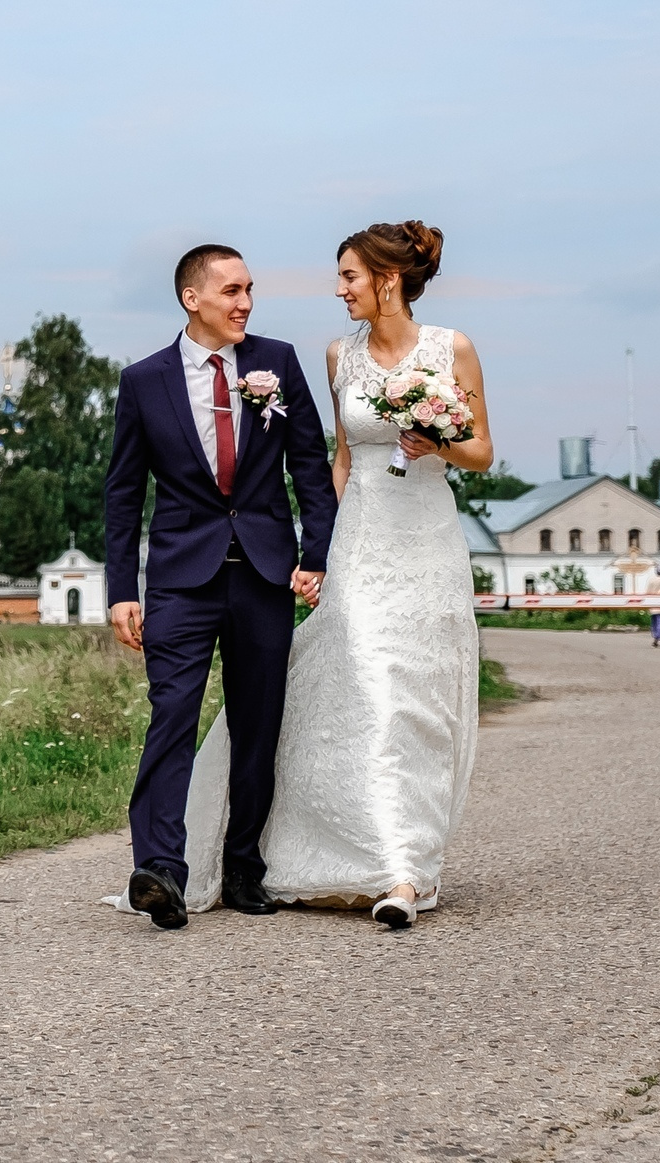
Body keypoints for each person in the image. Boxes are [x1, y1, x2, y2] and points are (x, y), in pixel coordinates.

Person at [181, 221, 491, 929]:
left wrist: (437, 441)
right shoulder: (338, 355)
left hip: (428, 540)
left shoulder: (453, 348)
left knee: (419, 701)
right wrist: (318, 551)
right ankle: (382, 864)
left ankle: (409, 866)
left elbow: (482, 450)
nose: (340, 289)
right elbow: (342, 460)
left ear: (387, 278)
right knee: (370, 685)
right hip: (362, 539)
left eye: (350, 276)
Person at [101, 244, 338, 929]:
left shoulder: (278, 362)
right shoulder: (144, 381)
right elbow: (123, 493)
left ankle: (243, 865)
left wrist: (316, 554)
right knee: (171, 715)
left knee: (258, 725)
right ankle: (160, 871)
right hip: (180, 579)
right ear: (192, 297)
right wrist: (122, 589)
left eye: (249, 289)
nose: (246, 303)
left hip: (265, 573)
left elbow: (310, 466)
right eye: (232, 290)